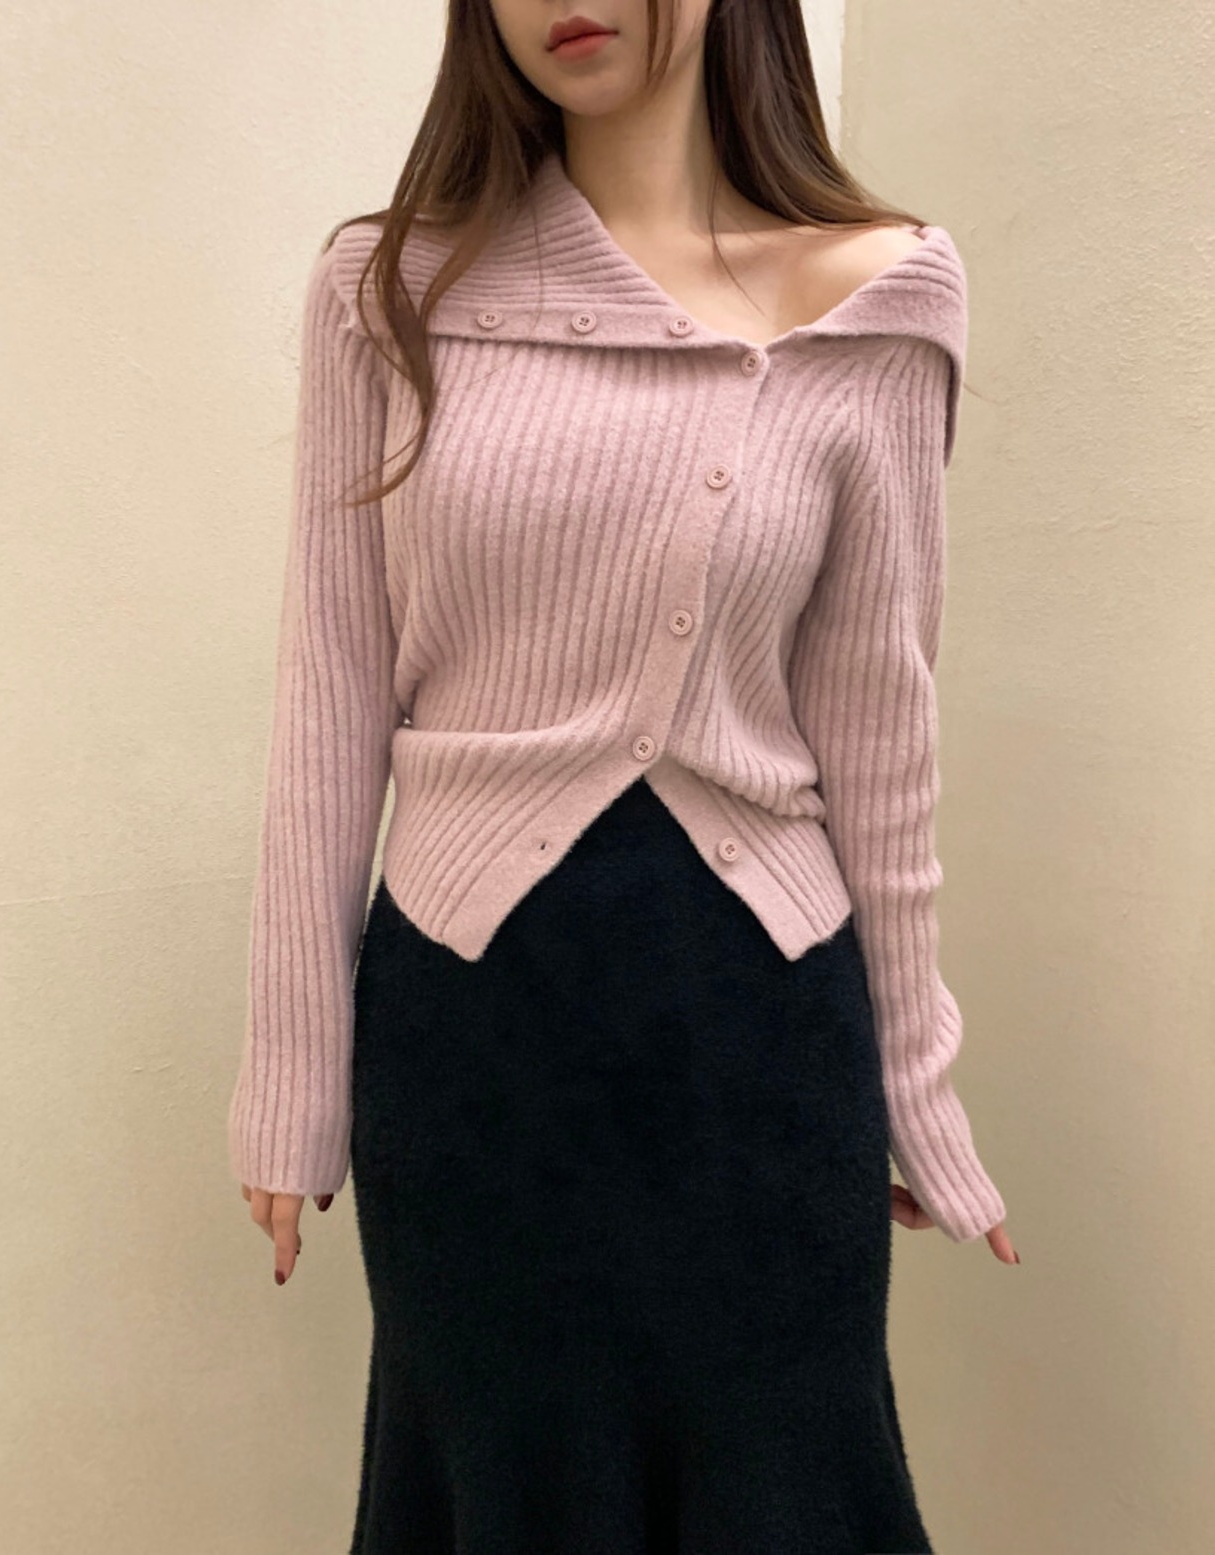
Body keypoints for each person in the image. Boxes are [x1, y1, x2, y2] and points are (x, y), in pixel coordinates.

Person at [228, 2, 1021, 1549]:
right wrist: (290, 1074)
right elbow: (327, 696)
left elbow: (882, 736)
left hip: (761, 1051)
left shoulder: (881, 297)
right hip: (473, 1048)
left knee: (784, 1486)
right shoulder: (387, 291)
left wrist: (918, 1091)